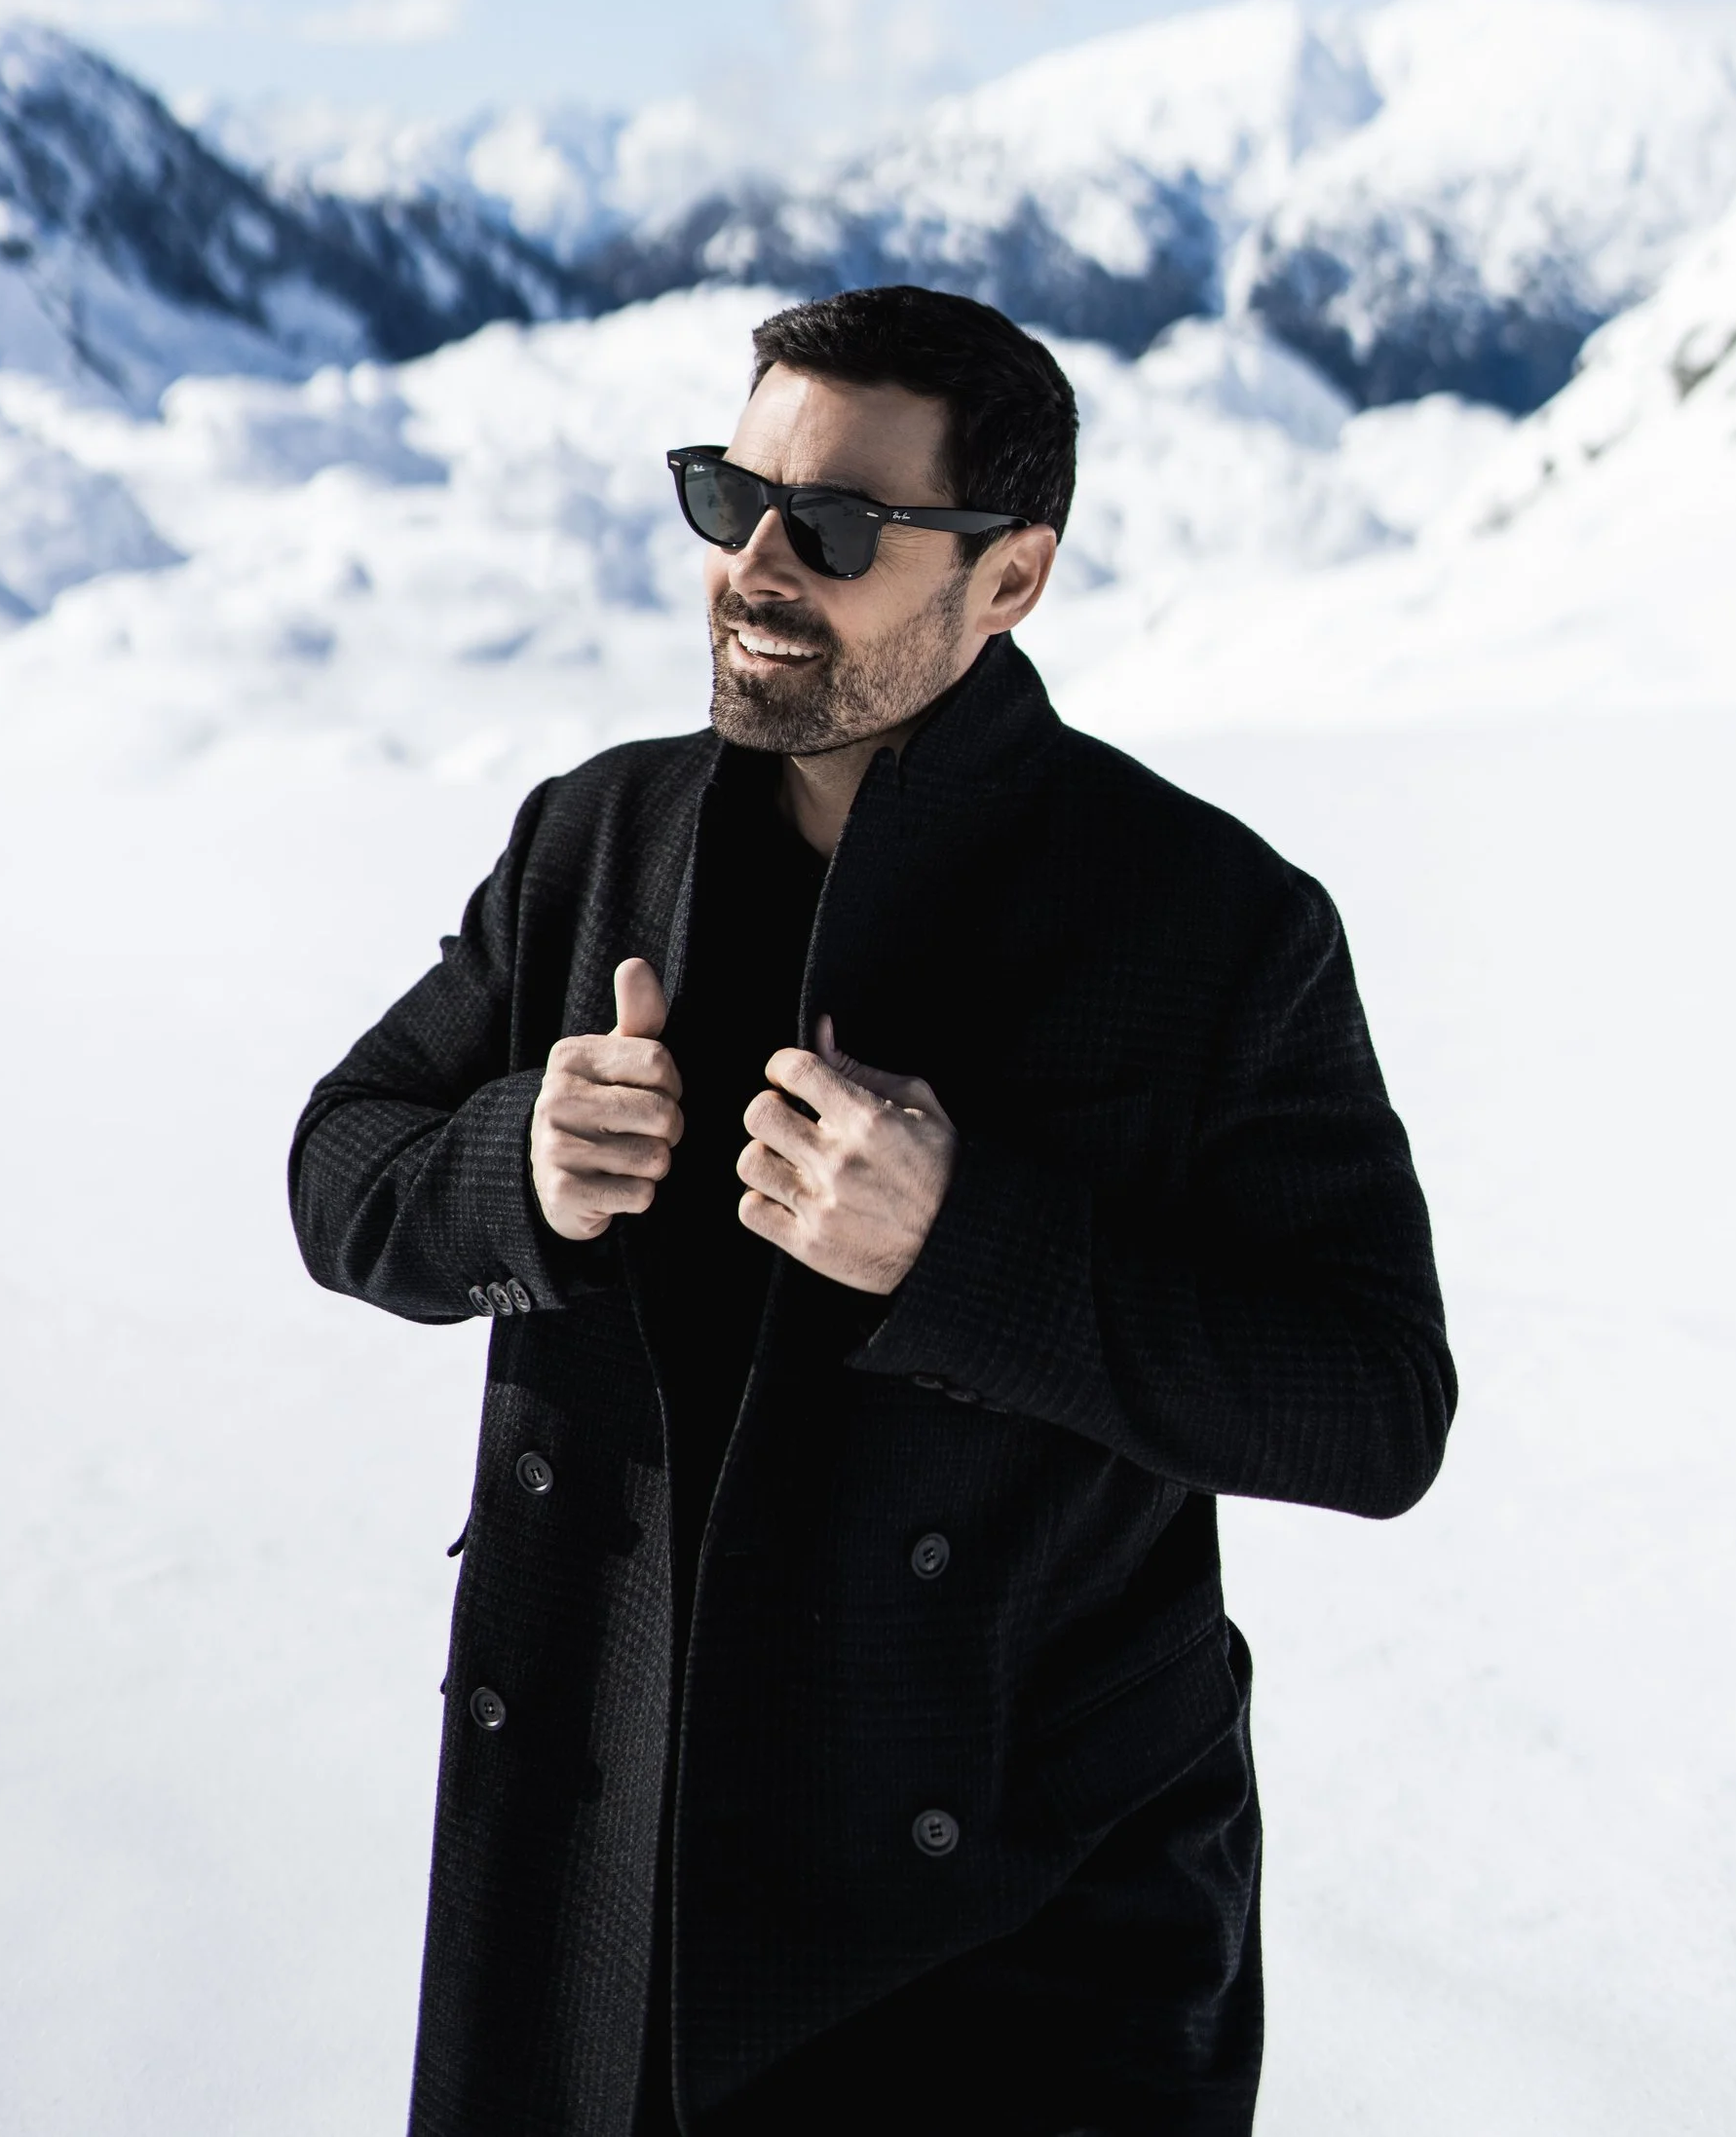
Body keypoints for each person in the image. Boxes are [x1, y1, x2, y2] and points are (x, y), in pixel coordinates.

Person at [289, 283, 1453, 2137]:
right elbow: (340, 1166)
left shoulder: (1212, 921)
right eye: (724, 493)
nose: (753, 564)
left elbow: (1376, 1402)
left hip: (1006, 1953)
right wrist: (510, 1157)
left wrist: (963, 1249)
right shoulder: (591, 839)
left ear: (1009, 578)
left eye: (830, 528)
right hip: (595, 1897)